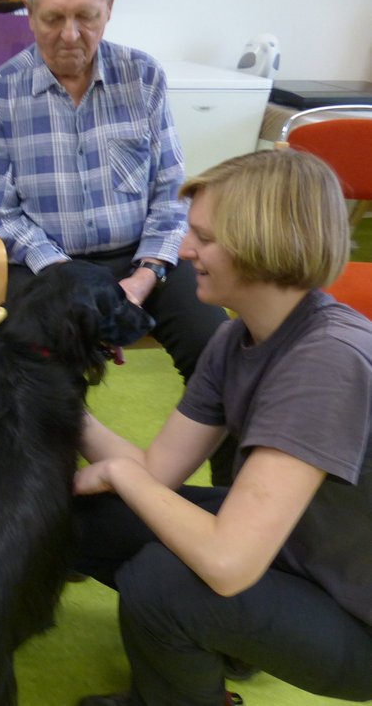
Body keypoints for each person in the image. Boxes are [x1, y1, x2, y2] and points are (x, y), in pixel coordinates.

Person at [73, 149, 372, 706]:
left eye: (205, 239)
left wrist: (117, 473)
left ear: (265, 244)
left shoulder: (328, 359)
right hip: (288, 548)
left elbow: (227, 563)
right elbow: (157, 471)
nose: (185, 252)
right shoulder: (234, 340)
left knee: (163, 582)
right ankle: (220, 652)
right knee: (82, 517)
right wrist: (66, 410)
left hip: (355, 615)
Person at [0, 0, 235, 482]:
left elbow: (171, 192)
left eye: (85, 17)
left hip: (142, 257)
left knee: (225, 355)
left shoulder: (143, 77)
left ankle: (231, 502)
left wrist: (145, 274)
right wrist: (74, 283)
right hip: (49, 264)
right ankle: (49, 503)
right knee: (31, 371)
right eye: (52, 18)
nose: (70, 35)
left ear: (110, 7)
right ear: (29, 11)